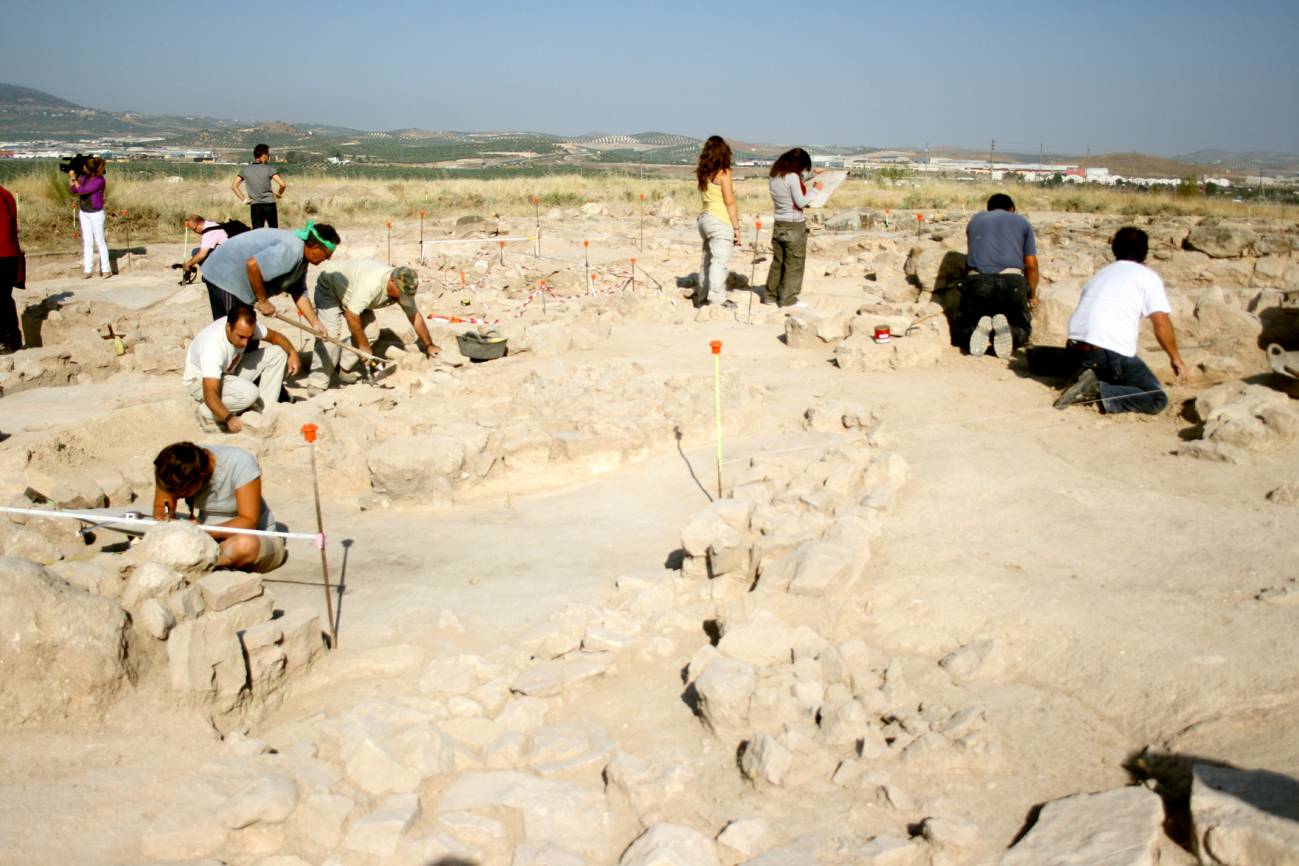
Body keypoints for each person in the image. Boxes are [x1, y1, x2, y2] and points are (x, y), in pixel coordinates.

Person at [1054, 227, 1187, 414]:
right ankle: (1097, 390)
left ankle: (1088, 376)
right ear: (1144, 251)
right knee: (1156, 398)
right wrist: (1176, 358)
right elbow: (1161, 323)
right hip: (1107, 352)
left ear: (1115, 249)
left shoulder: (1101, 274)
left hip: (1076, 348)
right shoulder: (1147, 276)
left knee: (1113, 364)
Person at [152, 441, 287, 573]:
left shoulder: (240, 462)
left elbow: (248, 521)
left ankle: (196, 563)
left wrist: (200, 531)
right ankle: (199, 559)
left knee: (244, 546)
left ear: (200, 478)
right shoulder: (172, 467)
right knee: (136, 517)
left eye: (181, 493)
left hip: (253, 537)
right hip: (205, 535)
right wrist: (165, 517)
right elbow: (162, 507)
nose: (175, 496)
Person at [307, 260, 440, 392]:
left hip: (355, 297)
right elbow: (352, 315)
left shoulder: (403, 288)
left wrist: (429, 344)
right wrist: (363, 346)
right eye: (400, 294)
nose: (401, 298)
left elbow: (414, 316)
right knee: (330, 337)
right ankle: (317, 383)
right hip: (331, 287)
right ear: (392, 282)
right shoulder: (372, 284)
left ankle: (342, 368)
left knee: (371, 334)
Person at [198, 222, 337, 329]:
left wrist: (315, 323)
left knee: (246, 332)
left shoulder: (302, 259)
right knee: (235, 329)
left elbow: (299, 293)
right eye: (326, 255)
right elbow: (253, 265)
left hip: (232, 279)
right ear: (315, 248)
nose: (328, 259)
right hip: (225, 275)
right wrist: (263, 301)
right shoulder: (292, 250)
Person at [183, 305, 300, 433]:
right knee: (250, 393)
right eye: (241, 337)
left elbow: (275, 337)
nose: (245, 343)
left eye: (249, 337)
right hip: (200, 383)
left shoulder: (245, 327)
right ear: (228, 327)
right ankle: (206, 412)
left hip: (228, 371)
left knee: (278, 353)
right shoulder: (212, 348)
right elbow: (210, 392)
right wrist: (229, 418)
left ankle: (265, 411)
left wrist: (292, 352)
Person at [957, 193, 1040, 358]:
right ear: (1012, 209)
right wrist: (1032, 294)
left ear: (988, 209)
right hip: (1012, 281)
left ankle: (976, 330)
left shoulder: (975, 221)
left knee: (963, 327)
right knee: (1022, 326)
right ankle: (1011, 332)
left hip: (978, 280)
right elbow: (1031, 265)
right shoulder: (1022, 222)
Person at [764, 148, 823, 309]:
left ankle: (770, 295)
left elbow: (794, 182)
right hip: (794, 225)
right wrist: (816, 190)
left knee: (778, 262)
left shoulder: (775, 176)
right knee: (794, 263)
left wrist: (812, 174)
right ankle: (787, 299)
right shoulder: (793, 177)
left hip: (779, 224)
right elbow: (801, 202)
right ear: (798, 165)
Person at [694, 136, 741, 308]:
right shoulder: (724, 173)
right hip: (720, 220)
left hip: (705, 219)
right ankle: (717, 299)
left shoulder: (704, 173)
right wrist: (736, 228)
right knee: (719, 262)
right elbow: (729, 201)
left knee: (707, 260)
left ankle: (702, 297)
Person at [69, 156, 111, 279]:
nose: (83, 168)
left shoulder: (99, 180)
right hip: (85, 212)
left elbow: (82, 191)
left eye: (85, 166)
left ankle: (106, 269)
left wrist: (73, 178)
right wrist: (72, 178)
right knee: (87, 242)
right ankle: (88, 270)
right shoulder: (84, 178)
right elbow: (74, 189)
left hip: (96, 213)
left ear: (90, 168)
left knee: (100, 241)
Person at [232, 144, 286, 229]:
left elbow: (234, 186)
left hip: (255, 206)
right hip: (270, 205)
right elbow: (283, 184)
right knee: (274, 231)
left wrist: (244, 200)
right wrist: (279, 193)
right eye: (268, 155)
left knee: (257, 233)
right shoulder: (269, 169)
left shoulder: (245, 170)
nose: (268, 157)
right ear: (264, 155)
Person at [0, 184, 22, 353]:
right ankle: (12, 339)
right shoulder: (6, 194)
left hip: (3, 253)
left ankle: (7, 339)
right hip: (9, 254)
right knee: (5, 298)